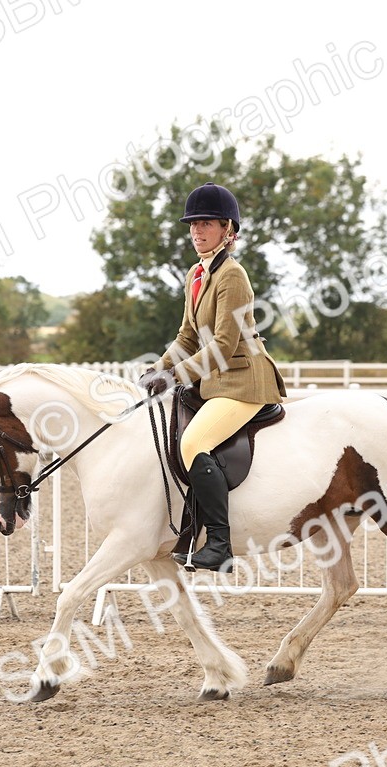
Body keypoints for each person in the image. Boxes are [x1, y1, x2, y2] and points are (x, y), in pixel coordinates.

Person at [137, 182, 287, 572]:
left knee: (194, 442)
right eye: (192, 225)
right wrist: (159, 367)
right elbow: (188, 336)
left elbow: (222, 344)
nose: (197, 231)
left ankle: (220, 543)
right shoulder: (197, 274)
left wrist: (174, 376)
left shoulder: (232, 276)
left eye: (206, 224)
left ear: (227, 229)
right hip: (216, 381)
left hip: (243, 380)